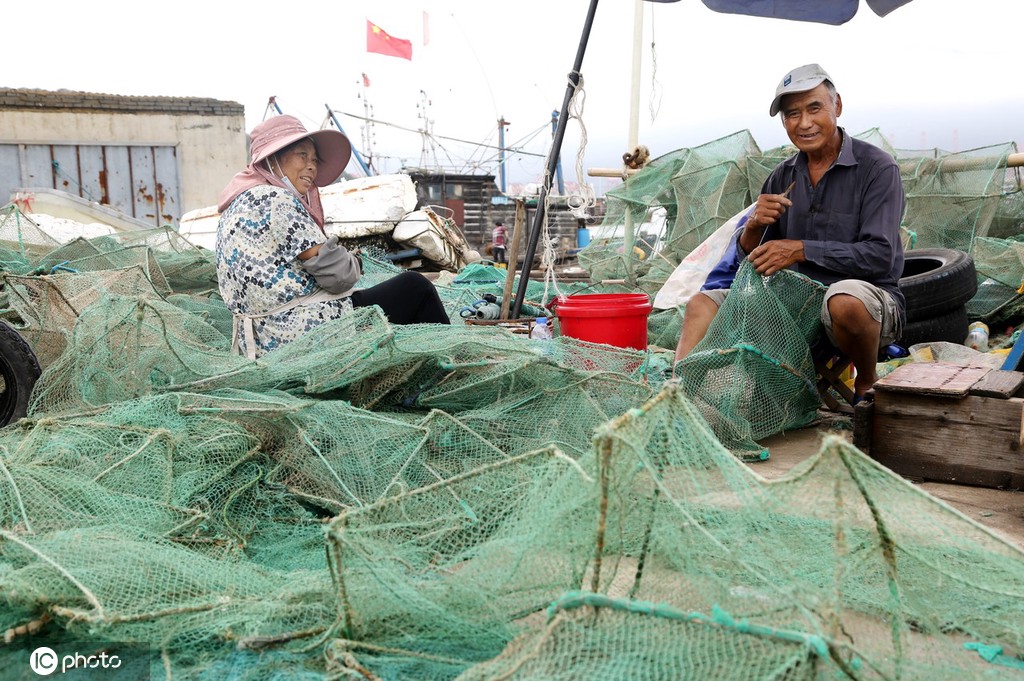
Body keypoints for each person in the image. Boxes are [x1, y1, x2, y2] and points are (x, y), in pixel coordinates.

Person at [674, 64, 905, 401]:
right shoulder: (781, 177)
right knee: (700, 304)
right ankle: (677, 396)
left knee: (845, 301)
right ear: (784, 122)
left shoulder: (877, 168)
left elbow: (881, 257)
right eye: (792, 114)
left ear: (836, 106)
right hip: (789, 308)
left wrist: (800, 250)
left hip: (867, 305)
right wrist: (752, 228)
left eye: (815, 108)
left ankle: (866, 382)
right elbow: (749, 264)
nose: (804, 122)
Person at [216, 115, 450, 359]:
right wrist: (355, 262)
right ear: (272, 157)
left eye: (315, 160)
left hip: (257, 338)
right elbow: (338, 275)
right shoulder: (277, 199)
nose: (312, 167)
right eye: (302, 155)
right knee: (414, 287)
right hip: (301, 331)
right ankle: (449, 369)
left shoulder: (233, 206)